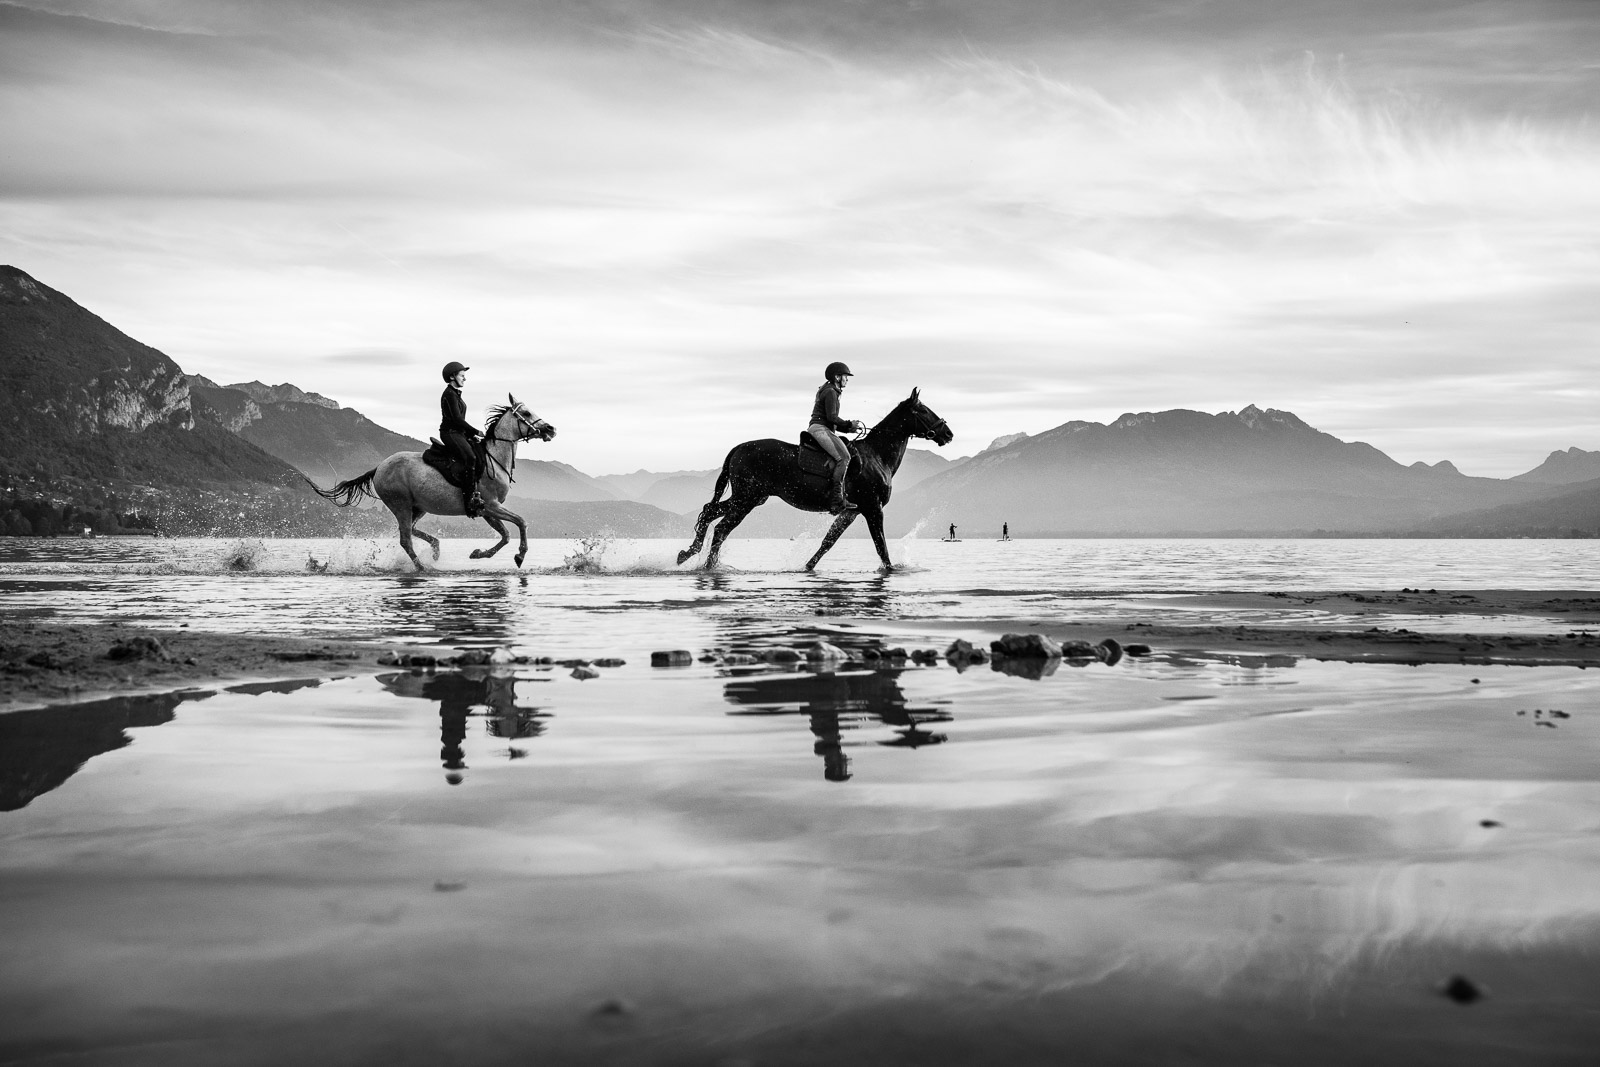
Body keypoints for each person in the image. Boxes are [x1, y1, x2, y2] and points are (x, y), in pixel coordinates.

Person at [808, 361, 863, 513]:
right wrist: (849, 423)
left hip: (823, 428)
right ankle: (837, 499)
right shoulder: (831, 392)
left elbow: (831, 420)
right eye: (846, 376)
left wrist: (849, 429)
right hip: (820, 429)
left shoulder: (830, 390)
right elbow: (832, 417)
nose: (847, 380)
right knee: (844, 457)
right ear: (837, 377)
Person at [439, 361, 484, 517]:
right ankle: (469, 501)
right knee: (470, 457)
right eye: (462, 376)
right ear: (452, 376)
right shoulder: (449, 394)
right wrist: (475, 431)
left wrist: (471, 435)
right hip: (450, 433)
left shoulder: (456, 394)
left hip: (458, 433)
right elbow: (457, 420)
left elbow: (459, 422)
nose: (465, 379)